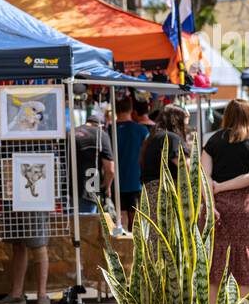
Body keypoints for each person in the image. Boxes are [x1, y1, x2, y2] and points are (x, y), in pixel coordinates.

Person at [202, 99, 249, 304]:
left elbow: (204, 176)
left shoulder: (213, 141)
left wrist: (215, 194)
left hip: (218, 210)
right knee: (245, 268)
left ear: (227, 116)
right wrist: (226, 186)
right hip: (247, 210)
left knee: (215, 269)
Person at [139, 104, 190, 197]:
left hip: (150, 193)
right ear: (178, 123)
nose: (186, 129)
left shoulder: (153, 137)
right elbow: (186, 167)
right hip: (165, 194)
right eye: (185, 125)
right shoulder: (172, 138)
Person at [113, 96, 149, 229]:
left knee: (119, 221)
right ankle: (133, 247)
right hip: (136, 182)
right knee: (135, 222)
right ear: (131, 109)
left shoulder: (109, 130)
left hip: (116, 183)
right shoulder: (142, 130)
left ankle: (119, 247)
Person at [0, 232, 52, 304]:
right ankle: (17, 295)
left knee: (38, 245)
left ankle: (42, 295)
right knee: (17, 245)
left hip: (33, 219)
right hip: (13, 219)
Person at [73, 109, 114, 213]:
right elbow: (110, 169)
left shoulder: (70, 133)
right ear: (100, 126)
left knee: (70, 226)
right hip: (90, 189)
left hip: (68, 190)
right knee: (87, 227)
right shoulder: (101, 134)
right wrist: (106, 186)